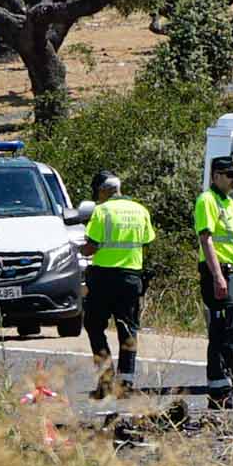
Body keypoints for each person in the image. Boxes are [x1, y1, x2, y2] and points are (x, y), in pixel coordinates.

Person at [80, 170, 156, 399]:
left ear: (103, 190)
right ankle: (126, 383)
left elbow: (92, 246)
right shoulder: (141, 210)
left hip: (103, 277)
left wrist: (78, 251)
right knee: (128, 329)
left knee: (94, 326)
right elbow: (146, 241)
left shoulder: (101, 211)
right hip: (131, 277)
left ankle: (105, 379)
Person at [193, 156, 233, 408]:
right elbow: (207, 239)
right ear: (215, 176)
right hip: (221, 273)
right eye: (228, 174)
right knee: (223, 330)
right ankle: (219, 391)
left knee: (230, 332)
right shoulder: (208, 200)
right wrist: (217, 276)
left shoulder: (228, 201)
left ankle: (225, 389)